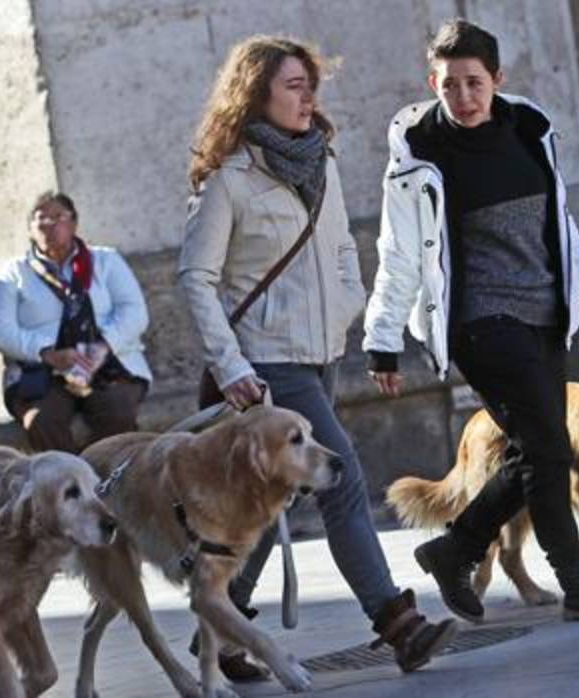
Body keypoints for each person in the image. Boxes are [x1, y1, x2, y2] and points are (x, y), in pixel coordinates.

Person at [178, 35, 457, 680]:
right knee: (341, 476)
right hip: (266, 368)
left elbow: (339, 247)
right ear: (256, 95)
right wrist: (231, 367)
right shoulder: (228, 180)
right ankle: (397, 622)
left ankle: (219, 628)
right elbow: (194, 279)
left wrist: (349, 303)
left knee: (271, 495)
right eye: (293, 86)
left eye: (311, 85)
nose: (308, 98)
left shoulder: (320, 161)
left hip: (320, 354)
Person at [362, 18, 579, 622]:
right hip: (480, 321)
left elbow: (559, 224)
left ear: (497, 79)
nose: (462, 97)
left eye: (474, 83)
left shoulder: (529, 132)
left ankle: (455, 548)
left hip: (544, 313)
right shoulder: (418, 157)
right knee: (549, 446)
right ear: (432, 83)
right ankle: (578, 578)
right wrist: (382, 340)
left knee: (536, 448)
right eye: (449, 84)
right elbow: (399, 252)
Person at [0, 191, 151, 453]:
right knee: (41, 421)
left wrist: (102, 347)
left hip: (108, 365)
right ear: (30, 230)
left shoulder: (105, 261)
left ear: (74, 223)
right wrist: (48, 354)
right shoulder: (14, 272)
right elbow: (1, 330)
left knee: (117, 413)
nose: (49, 225)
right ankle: (70, 477)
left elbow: (134, 312)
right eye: (41, 219)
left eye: (58, 217)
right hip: (41, 373)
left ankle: (106, 475)